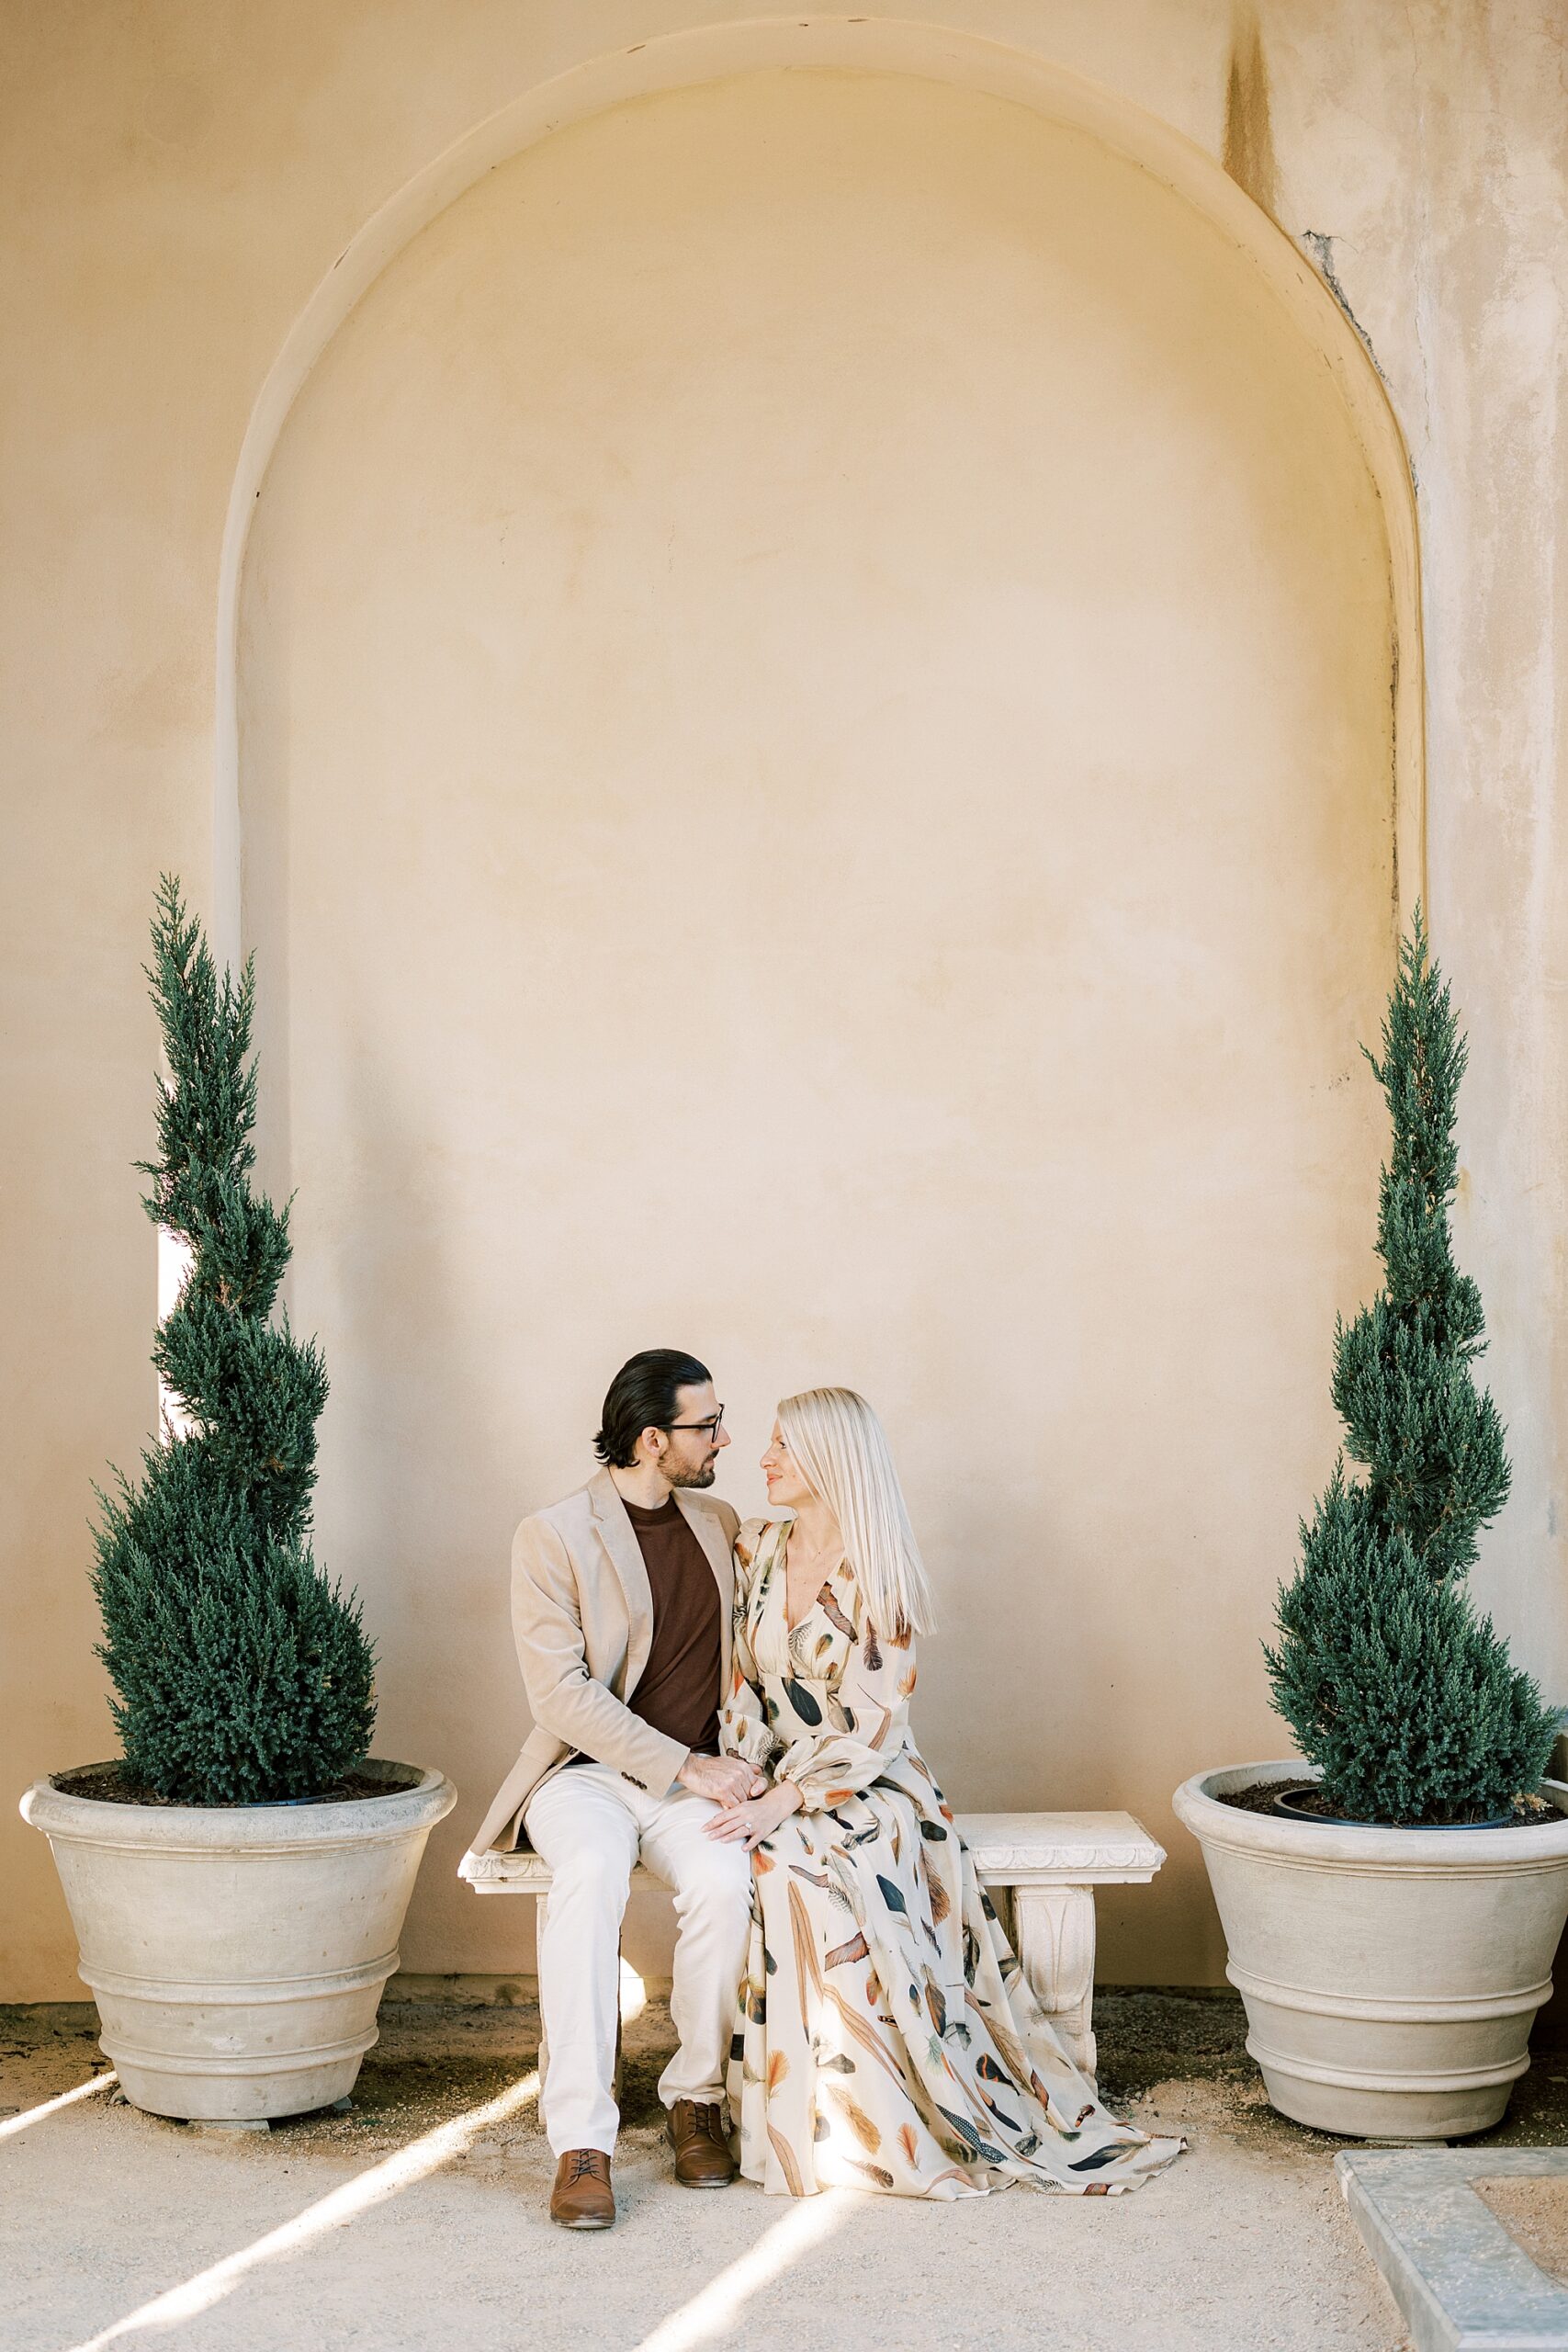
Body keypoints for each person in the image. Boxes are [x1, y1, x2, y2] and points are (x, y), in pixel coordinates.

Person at [707, 1386, 1184, 2199]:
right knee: (752, 1868)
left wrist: (784, 1798)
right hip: (766, 1776)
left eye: (783, 1445)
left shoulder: (879, 1568)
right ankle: (790, 2116)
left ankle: (877, 2116)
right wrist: (746, 1769)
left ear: (828, 1461)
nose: (763, 1458)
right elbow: (739, 1680)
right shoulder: (755, 1547)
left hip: (869, 1783)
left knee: (800, 1874)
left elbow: (874, 1723)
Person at [466, 1350, 762, 2230]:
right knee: (588, 1876)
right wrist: (686, 1766)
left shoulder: (718, 1521)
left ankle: (695, 2099)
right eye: (705, 1426)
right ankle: (581, 2142)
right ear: (649, 1438)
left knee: (724, 1884)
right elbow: (560, 1694)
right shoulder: (552, 1534)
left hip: (691, 1784)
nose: (722, 1438)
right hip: (585, 1778)